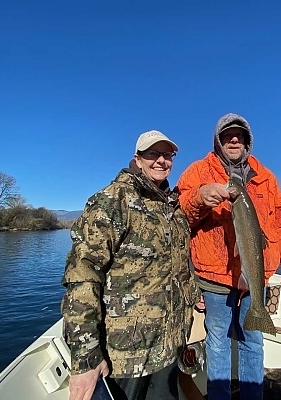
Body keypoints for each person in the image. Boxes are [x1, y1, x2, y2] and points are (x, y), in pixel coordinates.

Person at [61, 130, 200, 400]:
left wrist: (194, 293)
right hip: (124, 356)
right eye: (153, 154)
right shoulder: (112, 201)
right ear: (137, 159)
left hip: (168, 348)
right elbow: (82, 278)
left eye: (167, 154)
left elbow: (178, 268)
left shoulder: (172, 210)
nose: (161, 160)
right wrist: (86, 359)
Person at [176, 113, 281, 400]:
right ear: (218, 141)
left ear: (247, 142)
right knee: (217, 344)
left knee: (253, 343)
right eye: (227, 136)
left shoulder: (266, 177)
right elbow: (179, 220)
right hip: (213, 279)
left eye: (240, 136)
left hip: (255, 277)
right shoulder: (197, 172)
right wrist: (198, 199)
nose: (234, 140)